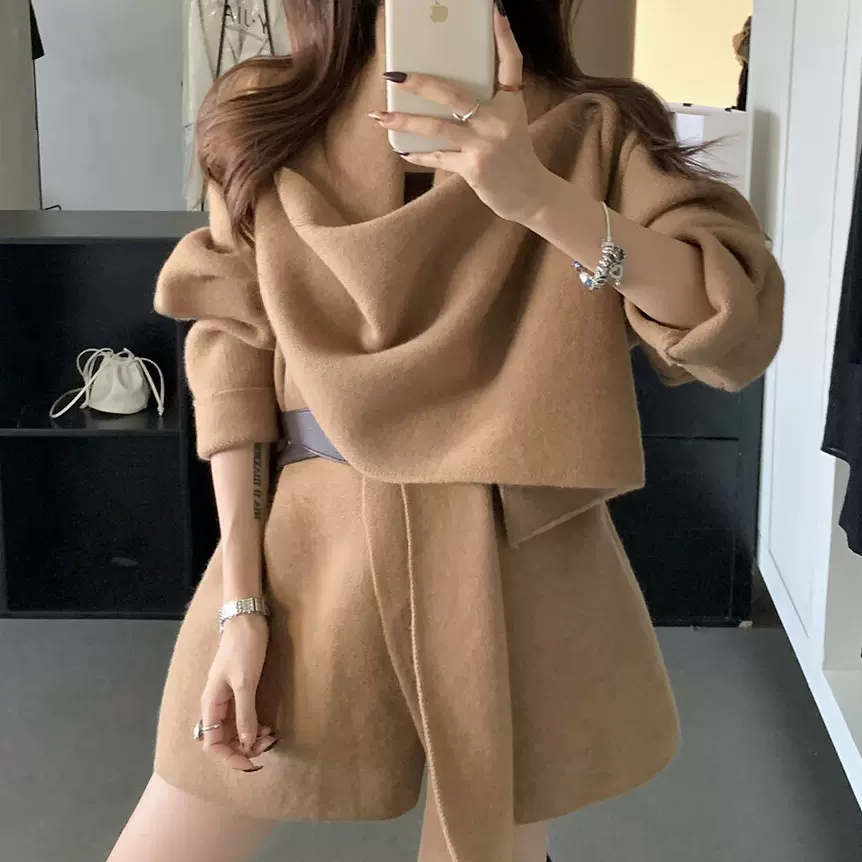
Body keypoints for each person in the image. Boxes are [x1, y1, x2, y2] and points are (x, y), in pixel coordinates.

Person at [108, 2, 783, 861]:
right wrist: (242, 606)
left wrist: (540, 197)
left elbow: (734, 324)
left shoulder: (595, 125)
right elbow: (232, 357)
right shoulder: (267, 112)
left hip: (515, 560)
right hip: (313, 557)